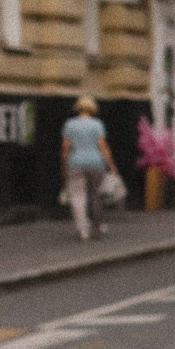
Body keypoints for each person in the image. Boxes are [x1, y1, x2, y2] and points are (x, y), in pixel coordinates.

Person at [62, 96, 116, 242]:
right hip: (96, 163)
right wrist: (111, 165)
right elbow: (103, 146)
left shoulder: (70, 124)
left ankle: (83, 230)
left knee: (77, 197)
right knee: (96, 195)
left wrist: (64, 165)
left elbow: (66, 148)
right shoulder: (97, 124)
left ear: (77, 108)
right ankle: (98, 226)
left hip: (75, 163)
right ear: (92, 108)